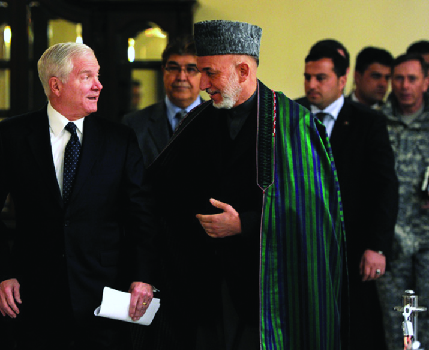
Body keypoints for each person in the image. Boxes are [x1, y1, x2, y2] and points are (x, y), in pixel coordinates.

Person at [148, 20, 345, 350]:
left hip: (268, 296)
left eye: (210, 73)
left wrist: (245, 224)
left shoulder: (293, 125)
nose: (201, 85)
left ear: (242, 71)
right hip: (205, 292)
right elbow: (161, 192)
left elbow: (314, 220)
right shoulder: (199, 121)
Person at [0, 42, 158, 350]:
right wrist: (1, 274)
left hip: (105, 299)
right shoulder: (10, 136)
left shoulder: (120, 139)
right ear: (56, 85)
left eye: (97, 76)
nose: (99, 85)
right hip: (33, 298)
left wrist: (143, 277)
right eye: (87, 76)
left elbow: (142, 215)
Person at [296, 44, 398, 350]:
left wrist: (377, 246)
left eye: (321, 78)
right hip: (303, 245)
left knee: (355, 331)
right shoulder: (291, 115)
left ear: (343, 80)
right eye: (307, 77)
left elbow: (384, 187)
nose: (312, 85)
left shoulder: (368, 122)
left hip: (353, 248)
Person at [377, 53, 429, 350]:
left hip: (427, 236)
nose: (404, 85)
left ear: (426, 82)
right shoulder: (377, 121)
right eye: (399, 78)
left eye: (412, 78)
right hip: (392, 237)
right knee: (398, 320)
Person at [122, 35, 204, 167]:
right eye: (173, 68)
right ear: (163, 72)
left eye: (191, 69)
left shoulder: (222, 120)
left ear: (203, 75)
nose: (181, 77)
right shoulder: (134, 124)